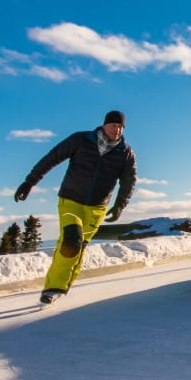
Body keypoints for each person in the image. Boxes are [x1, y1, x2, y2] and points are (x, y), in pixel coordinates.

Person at [14, 110, 137, 304]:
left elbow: (129, 181)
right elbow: (52, 157)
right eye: (114, 125)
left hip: (97, 207)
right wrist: (30, 182)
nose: (118, 129)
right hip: (71, 199)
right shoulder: (81, 140)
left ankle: (61, 286)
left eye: (121, 126)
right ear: (105, 125)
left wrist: (120, 204)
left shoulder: (126, 153)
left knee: (79, 246)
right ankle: (53, 288)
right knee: (71, 240)